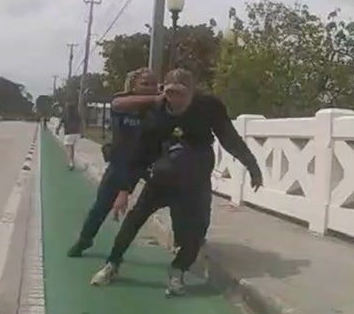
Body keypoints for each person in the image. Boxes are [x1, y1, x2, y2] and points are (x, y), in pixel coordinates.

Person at [90, 68, 263, 297]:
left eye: (181, 94)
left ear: (193, 92)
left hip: (195, 177)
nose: (175, 99)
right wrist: (125, 190)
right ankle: (112, 263)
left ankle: (178, 270)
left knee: (197, 231)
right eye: (170, 93)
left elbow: (230, 138)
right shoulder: (156, 112)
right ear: (164, 91)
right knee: (134, 218)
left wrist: (252, 166)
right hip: (163, 176)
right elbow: (140, 152)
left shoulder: (208, 107)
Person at [67, 68, 158, 257]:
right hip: (121, 163)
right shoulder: (122, 102)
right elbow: (118, 103)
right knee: (101, 206)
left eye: (154, 84)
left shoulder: (158, 108)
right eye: (145, 84)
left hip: (148, 163)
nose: (151, 88)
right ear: (133, 86)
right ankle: (85, 239)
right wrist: (158, 98)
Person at [56, 101, 82, 170]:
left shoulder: (66, 114)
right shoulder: (77, 114)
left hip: (69, 133)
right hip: (77, 133)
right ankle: (72, 161)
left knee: (68, 148)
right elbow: (81, 123)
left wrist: (57, 130)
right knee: (72, 148)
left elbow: (61, 122)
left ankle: (71, 163)